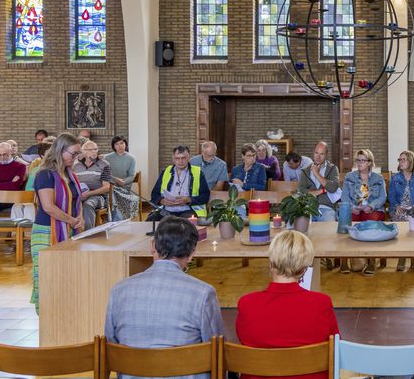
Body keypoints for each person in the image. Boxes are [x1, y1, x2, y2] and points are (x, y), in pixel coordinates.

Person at [105, 216, 224, 375]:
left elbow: (111, 346)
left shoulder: (119, 291)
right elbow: (217, 349)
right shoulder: (203, 293)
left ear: (152, 246)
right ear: (191, 253)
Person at [236, 230, 339, 379]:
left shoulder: (247, 304)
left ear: (271, 264)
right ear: (304, 270)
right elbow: (336, 350)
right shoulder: (321, 303)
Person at [31, 133, 84, 312]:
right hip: (47, 232)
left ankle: (64, 312)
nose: (76, 158)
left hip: (68, 229)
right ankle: (46, 314)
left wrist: (80, 218)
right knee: (47, 276)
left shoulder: (69, 173)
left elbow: (78, 199)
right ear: (60, 150)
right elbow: (48, 207)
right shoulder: (45, 174)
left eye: (78, 154)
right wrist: (72, 221)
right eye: (73, 154)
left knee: (66, 274)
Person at [342, 149, 387, 275]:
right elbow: (344, 197)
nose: (360, 163)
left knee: (370, 221)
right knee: (348, 220)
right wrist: (352, 207)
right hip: (354, 208)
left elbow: (383, 197)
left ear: (369, 163)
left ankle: (371, 261)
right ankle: (345, 260)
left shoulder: (378, 178)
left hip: (373, 208)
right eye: (358, 160)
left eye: (363, 160)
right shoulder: (349, 177)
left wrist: (372, 206)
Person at [388, 150, 414, 271]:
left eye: (403, 159)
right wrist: (396, 206)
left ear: (411, 161)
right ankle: (402, 256)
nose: (401, 161)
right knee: (402, 220)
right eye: (399, 159)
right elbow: (391, 196)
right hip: (399, 208)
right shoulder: (395, 177)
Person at [148, 145, 210, 221]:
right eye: (177, 158)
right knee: (151, 220)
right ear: (173, 159)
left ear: (189, 158)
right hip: (167, 210)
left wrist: (189, 200)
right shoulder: (165, 172)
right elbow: (154, 194)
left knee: (181, 225)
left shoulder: (197, 172)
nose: (180, 161)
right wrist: (162, 201)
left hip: (188, 210)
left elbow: (205, 196)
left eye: (183, 158)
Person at [73, 140, 113, 228]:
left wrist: (89, 193)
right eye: (89, 150)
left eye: (95, 149)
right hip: (78, 194)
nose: (93, 152)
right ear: (83, 151)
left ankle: (88, 233)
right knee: (68, 204)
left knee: (88, 204)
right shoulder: (75, 164)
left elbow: (106, 187)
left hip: (98, 196)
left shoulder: (104, 164)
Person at [298, 141, 340, 222]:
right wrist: (322, 190)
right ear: (313, 153)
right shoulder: (305, 171)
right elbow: (301, 192)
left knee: (328, 229)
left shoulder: (332, 168)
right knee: (301, 228)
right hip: (307, 208)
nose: (318, 157)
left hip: (326, 208)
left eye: (322, 154)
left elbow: (333, 188)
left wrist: (316, 174)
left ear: (326, 155)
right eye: (316, 153)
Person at [104, 135, 138, 221]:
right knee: (112, 193)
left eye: (122, 143)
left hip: (124, 187)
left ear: (125, 144)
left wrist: (123, 182)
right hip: (110, 186)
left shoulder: (131, 158)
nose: (120, 146)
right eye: (117, 144)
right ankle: (116, 221)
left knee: (116, 195)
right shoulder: (107, 158)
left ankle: (118, 221)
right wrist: (115, 180)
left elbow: (131, 175)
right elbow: (105, 174)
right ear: (113, 146)